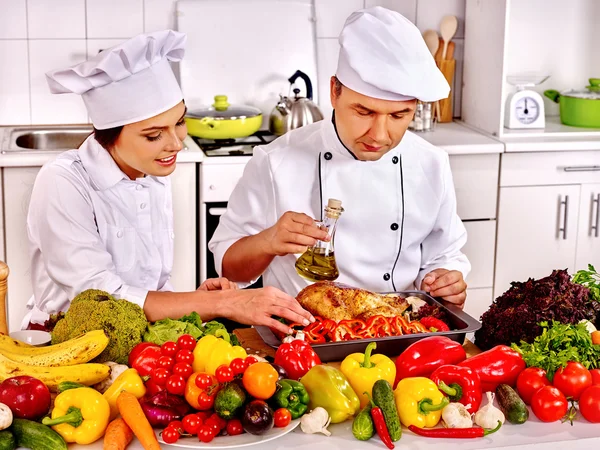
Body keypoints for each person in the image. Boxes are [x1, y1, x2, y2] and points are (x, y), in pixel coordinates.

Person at [23, 30, 313, 334]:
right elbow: (103, 298)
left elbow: (151, 287)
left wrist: (198, 299)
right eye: (154, 135)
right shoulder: (64, 182)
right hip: (62, 343)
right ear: (111, 136)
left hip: (140, 342)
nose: (176, 143)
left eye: (179, 122)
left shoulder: (152, 175)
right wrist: (223, 304)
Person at [209, 7, 470, 307]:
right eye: (364, 112)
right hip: (303, 336)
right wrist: (268, 241)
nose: (380, 135)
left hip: (398, 331)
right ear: (334, 92)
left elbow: (445, 255)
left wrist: (445, 279)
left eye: (399, 115)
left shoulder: (431, 163)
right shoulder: (275, 162)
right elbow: (229, 266)